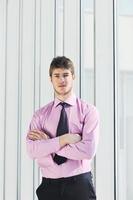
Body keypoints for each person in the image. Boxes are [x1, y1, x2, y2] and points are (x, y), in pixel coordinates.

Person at [26, 56, 100, 200]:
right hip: (49, 186)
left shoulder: (88, 111)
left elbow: (88, 150)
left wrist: (49, 143)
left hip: (79, 184)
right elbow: (32, 150)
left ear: (73, 76)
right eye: (57, 75)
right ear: (50, 79)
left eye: (66, 75)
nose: (61, 80)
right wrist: (64, 139)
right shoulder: (40, 115)